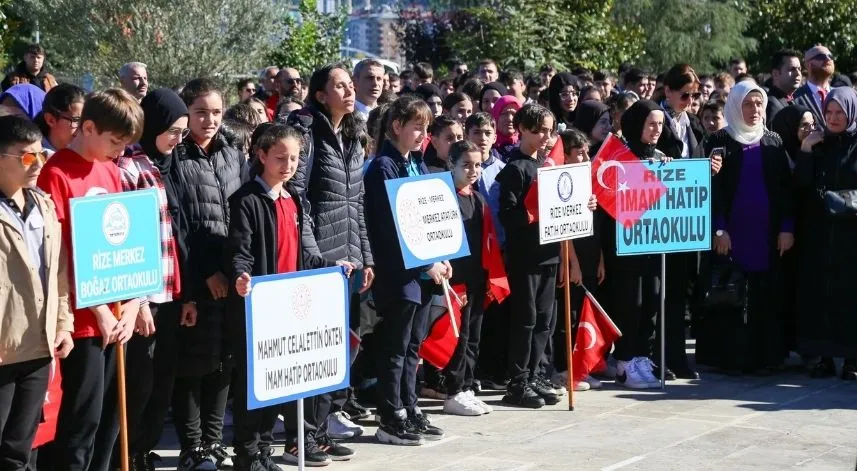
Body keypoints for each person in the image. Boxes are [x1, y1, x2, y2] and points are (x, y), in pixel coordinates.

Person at [229, 124, 354, 469]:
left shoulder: (295, 200)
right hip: (261, 307)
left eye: (294, 158)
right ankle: (247, 453)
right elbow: (240, 252)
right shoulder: (247, 201)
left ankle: (266, 451)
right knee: (254, 386)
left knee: (278, 385)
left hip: (290, 307)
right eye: (280, 157)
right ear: (262, 155)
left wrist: (333, 266)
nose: (288, 165)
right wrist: (241, 277)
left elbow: (304, 256)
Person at [37, 88, 144, 471]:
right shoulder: (56, 173)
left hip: (115, 318)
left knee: (110, 423)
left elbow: (127, 244)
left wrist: (132, 305)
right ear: (89, 127)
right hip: (82, 323)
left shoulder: (111, 170)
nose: (119, 150)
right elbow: (61, 254)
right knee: (81, 423)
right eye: (115, 141)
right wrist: (98, 310)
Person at [284, 63, 374, 456]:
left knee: (336, 347)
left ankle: (320, 431)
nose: (349, 91)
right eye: (339, 86)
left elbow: (358, 202)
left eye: (349, 86)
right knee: (311, 350)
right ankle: (298, 437)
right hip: (318, 258)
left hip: (349, 259)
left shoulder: (354, 135)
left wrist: (366, 256)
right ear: (321, 95)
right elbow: (297, 197)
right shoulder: (307, 131)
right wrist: (313, 255)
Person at [114, 88, 193, 470]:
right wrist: (140, 300)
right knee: (139, 382)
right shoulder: (131, 167)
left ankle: (142, 448)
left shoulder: (169, 163)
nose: (179, 139)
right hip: (145, 297)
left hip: (171, 291)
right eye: (174, 130)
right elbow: (133, 240)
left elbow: (179, 233)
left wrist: (187, 294)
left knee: (163, 379)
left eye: (183, 132)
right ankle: (126, 454)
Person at [173, 78, 248, 470]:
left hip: (230, 272)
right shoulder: (176, 156)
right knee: (192, 363)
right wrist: (204, 276)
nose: (210, 120)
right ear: (187, 113)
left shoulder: (232, 153)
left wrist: (233, 269)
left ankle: (214, 441)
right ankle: (191, 446)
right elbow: (179, 225)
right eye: (201, 112)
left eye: (217, 112)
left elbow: (241, 216)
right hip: (193, 277)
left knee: (223, 361)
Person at [364, 95, 448, 445]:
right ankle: (390, 415)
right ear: (396, 126)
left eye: (427, 129)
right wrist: (427, 262)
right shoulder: (384, 165)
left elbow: (429, 218)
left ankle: (409, 406)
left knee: (413, 346)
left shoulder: (415, 163)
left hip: (423, 275)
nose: (423, 135)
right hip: (399, 273)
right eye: (417, 127)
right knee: (395, 348)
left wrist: (442, 258)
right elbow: (391, 225)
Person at [701, 81, 794, 374]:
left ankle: (766, 356)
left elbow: (785, 189)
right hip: (731, 234)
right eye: (748, 104)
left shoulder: (773, 141)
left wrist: (787, 227)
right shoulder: (719, 140)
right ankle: (730, 358)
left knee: (764, 295)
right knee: (731, 294)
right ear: (735, 106)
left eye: (759, 104)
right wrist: (719, 229)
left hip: (766, 235)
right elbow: (711, 189)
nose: (754, 110)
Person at [0, 116, 72, 470]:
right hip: (3, 347)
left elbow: (57, 272)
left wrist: (63, 323)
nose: (37, 164)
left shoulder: (43, 205)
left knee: (21, 450)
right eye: (26, 157)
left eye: (41, 155)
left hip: (38, 346)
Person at [495, 104, 561, 407]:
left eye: (549, 130)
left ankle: (536, 374)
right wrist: (533, 213)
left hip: (550, 253)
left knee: (546, 319)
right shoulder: (515, 169)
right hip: (526, 256)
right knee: (526, 319)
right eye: (539, 131)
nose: (545, 137)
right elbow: (508, 216)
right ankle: (518, 382)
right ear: (522, 129)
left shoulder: (548, 165)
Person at [602, 100, 667, 389]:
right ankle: (625, 361)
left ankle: (642, 356)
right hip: (624, 247)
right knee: (631, 302)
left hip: (652, 245)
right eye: (651, 124)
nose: (656, 130)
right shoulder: (619, 157)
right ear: (637, 125)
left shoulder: (661, 157)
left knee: (653, 298)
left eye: (661, 124)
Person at [794, 87, 857, 380]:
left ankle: (853, 358)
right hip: (819, 232)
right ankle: (825, 358)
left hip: (850, 232)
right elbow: (801, 184)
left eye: (839, 112)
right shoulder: (818, 144)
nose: (833, 118)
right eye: (829, 112)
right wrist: (806, 149)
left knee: (849, 294)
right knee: (821, 294)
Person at [441, 140, 494, 416]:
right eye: (466, 165)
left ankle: (466, 386)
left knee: (473, 336)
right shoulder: (444, 196)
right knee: (458, 338)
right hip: (456, 279)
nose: (473, 170)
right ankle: (453, 391)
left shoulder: (477, 197)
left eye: (478, 165)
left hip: (476, 277)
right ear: (451, 164)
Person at [35, 83, 85, 156]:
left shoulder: (84, 154)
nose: (82, 128)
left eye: (85, 120)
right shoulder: (36, 158)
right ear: (50, 120)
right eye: (76, 120)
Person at [793, 45, 835, 125]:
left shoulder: (841, 95)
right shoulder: (796, 98)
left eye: (830, 56)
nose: (828, 59)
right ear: (808, 64)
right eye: (821, 57)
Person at [766, 50, 803, 122]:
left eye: (799, 69)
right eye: (792, 69)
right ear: (776, 74)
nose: (798, 73)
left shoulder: (795, 100)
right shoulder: (770, 104)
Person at [491, 95, 520, 161]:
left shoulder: (526, 147)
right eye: (504, 114)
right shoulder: (487, 148)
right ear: (495, 117)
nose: (510, 119)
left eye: (514, 114)